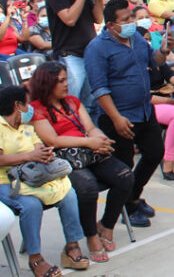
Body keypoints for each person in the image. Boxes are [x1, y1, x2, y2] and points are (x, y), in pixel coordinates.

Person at [28, 62, 132, 262]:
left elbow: (90, 127)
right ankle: (92, 235)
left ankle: (107, 225)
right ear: (46, 83)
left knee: (125, 176)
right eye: (60, 81)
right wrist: (89, 142)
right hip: (63, 158)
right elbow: (53, 140)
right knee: (87, 187)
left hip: (88, 151)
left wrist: (100, 139)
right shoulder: (36, 109)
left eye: (66, 79)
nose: (66, 84)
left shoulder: (73, 101)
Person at [85, 0, 171, 228]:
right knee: (124, 165)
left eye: (131, 18)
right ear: (111, 24)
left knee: (155, 153)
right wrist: (115, 117)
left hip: (144, 110)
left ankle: (132, 196)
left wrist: (164, 51)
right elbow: (99, 88)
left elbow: (154, 62)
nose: (131, 23)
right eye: (125, 20)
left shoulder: (136, 41)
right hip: (120, 116)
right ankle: (126, 208)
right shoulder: (97, 48)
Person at [0, 85, 89, 276]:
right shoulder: (0, 127)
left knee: (68, 193)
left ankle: (71, 247)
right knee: (31, 206)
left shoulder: (26, 127)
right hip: (7, 181)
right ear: (17, 105)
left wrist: (45, 155)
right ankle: (36, 258)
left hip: (34, 177)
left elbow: (39, 147)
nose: (30, 108)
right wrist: (30, 156)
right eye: (27, 104)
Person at [45, 0, 106, 108]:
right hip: (70, 56)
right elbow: (69, 19)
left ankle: (91, 132)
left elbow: (98, 18)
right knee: (72, 103)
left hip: (89, 53)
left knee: (92, 103)